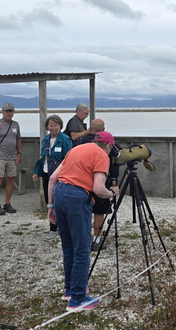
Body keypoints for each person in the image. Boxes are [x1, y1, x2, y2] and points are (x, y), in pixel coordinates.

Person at [47, 131, 120, 311]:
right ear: (109, 146)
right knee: (82, 249)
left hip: (59, 193)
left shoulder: (76, 149)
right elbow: (98, 188)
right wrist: (113, 193)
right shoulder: (102, 155)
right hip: (78, 197)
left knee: (69, 247)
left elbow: (52, 178)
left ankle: (70, 289)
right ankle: (78, 299)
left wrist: (51, 206)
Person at [79, 119, 121, 252]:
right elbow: (115, 163)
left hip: (83, 182)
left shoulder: (83, 142)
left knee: (84, 212)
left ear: (91, 128)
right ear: (103, 128)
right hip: (102, 181)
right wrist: (114, 180)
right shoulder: (109, 144)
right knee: (99, 212)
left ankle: (82, 240)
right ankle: (96, 240)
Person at [32, 115, 73, 239]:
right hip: (46, 173)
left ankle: (64, 227)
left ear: (60, 126)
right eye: (51, 125)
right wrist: (36, 171)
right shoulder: (45, 139)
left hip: (60, 175)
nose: (53, 128)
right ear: (47, 127)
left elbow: (69, 158)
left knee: (61, 200)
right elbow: (42, 157)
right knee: (49, 200)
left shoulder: (66, 139)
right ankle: (53, 228)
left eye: (56, 125)